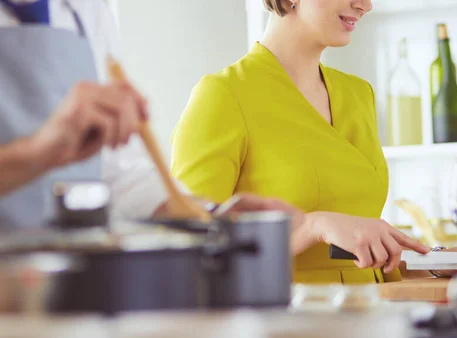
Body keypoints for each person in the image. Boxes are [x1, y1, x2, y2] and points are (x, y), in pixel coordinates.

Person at [170, 0, 457, 284]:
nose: (365, 5)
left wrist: (434, 261)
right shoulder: (224, 95)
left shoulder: (358, 95)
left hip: (373, 317)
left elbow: (356, 260)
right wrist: (312, 226)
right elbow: (188, 248)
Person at [0, 0, 301, 229]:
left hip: (64, 286)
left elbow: (117, 174)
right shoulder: (225, 93)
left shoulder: (87, 9)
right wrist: (36, 153)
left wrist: (207, 215)